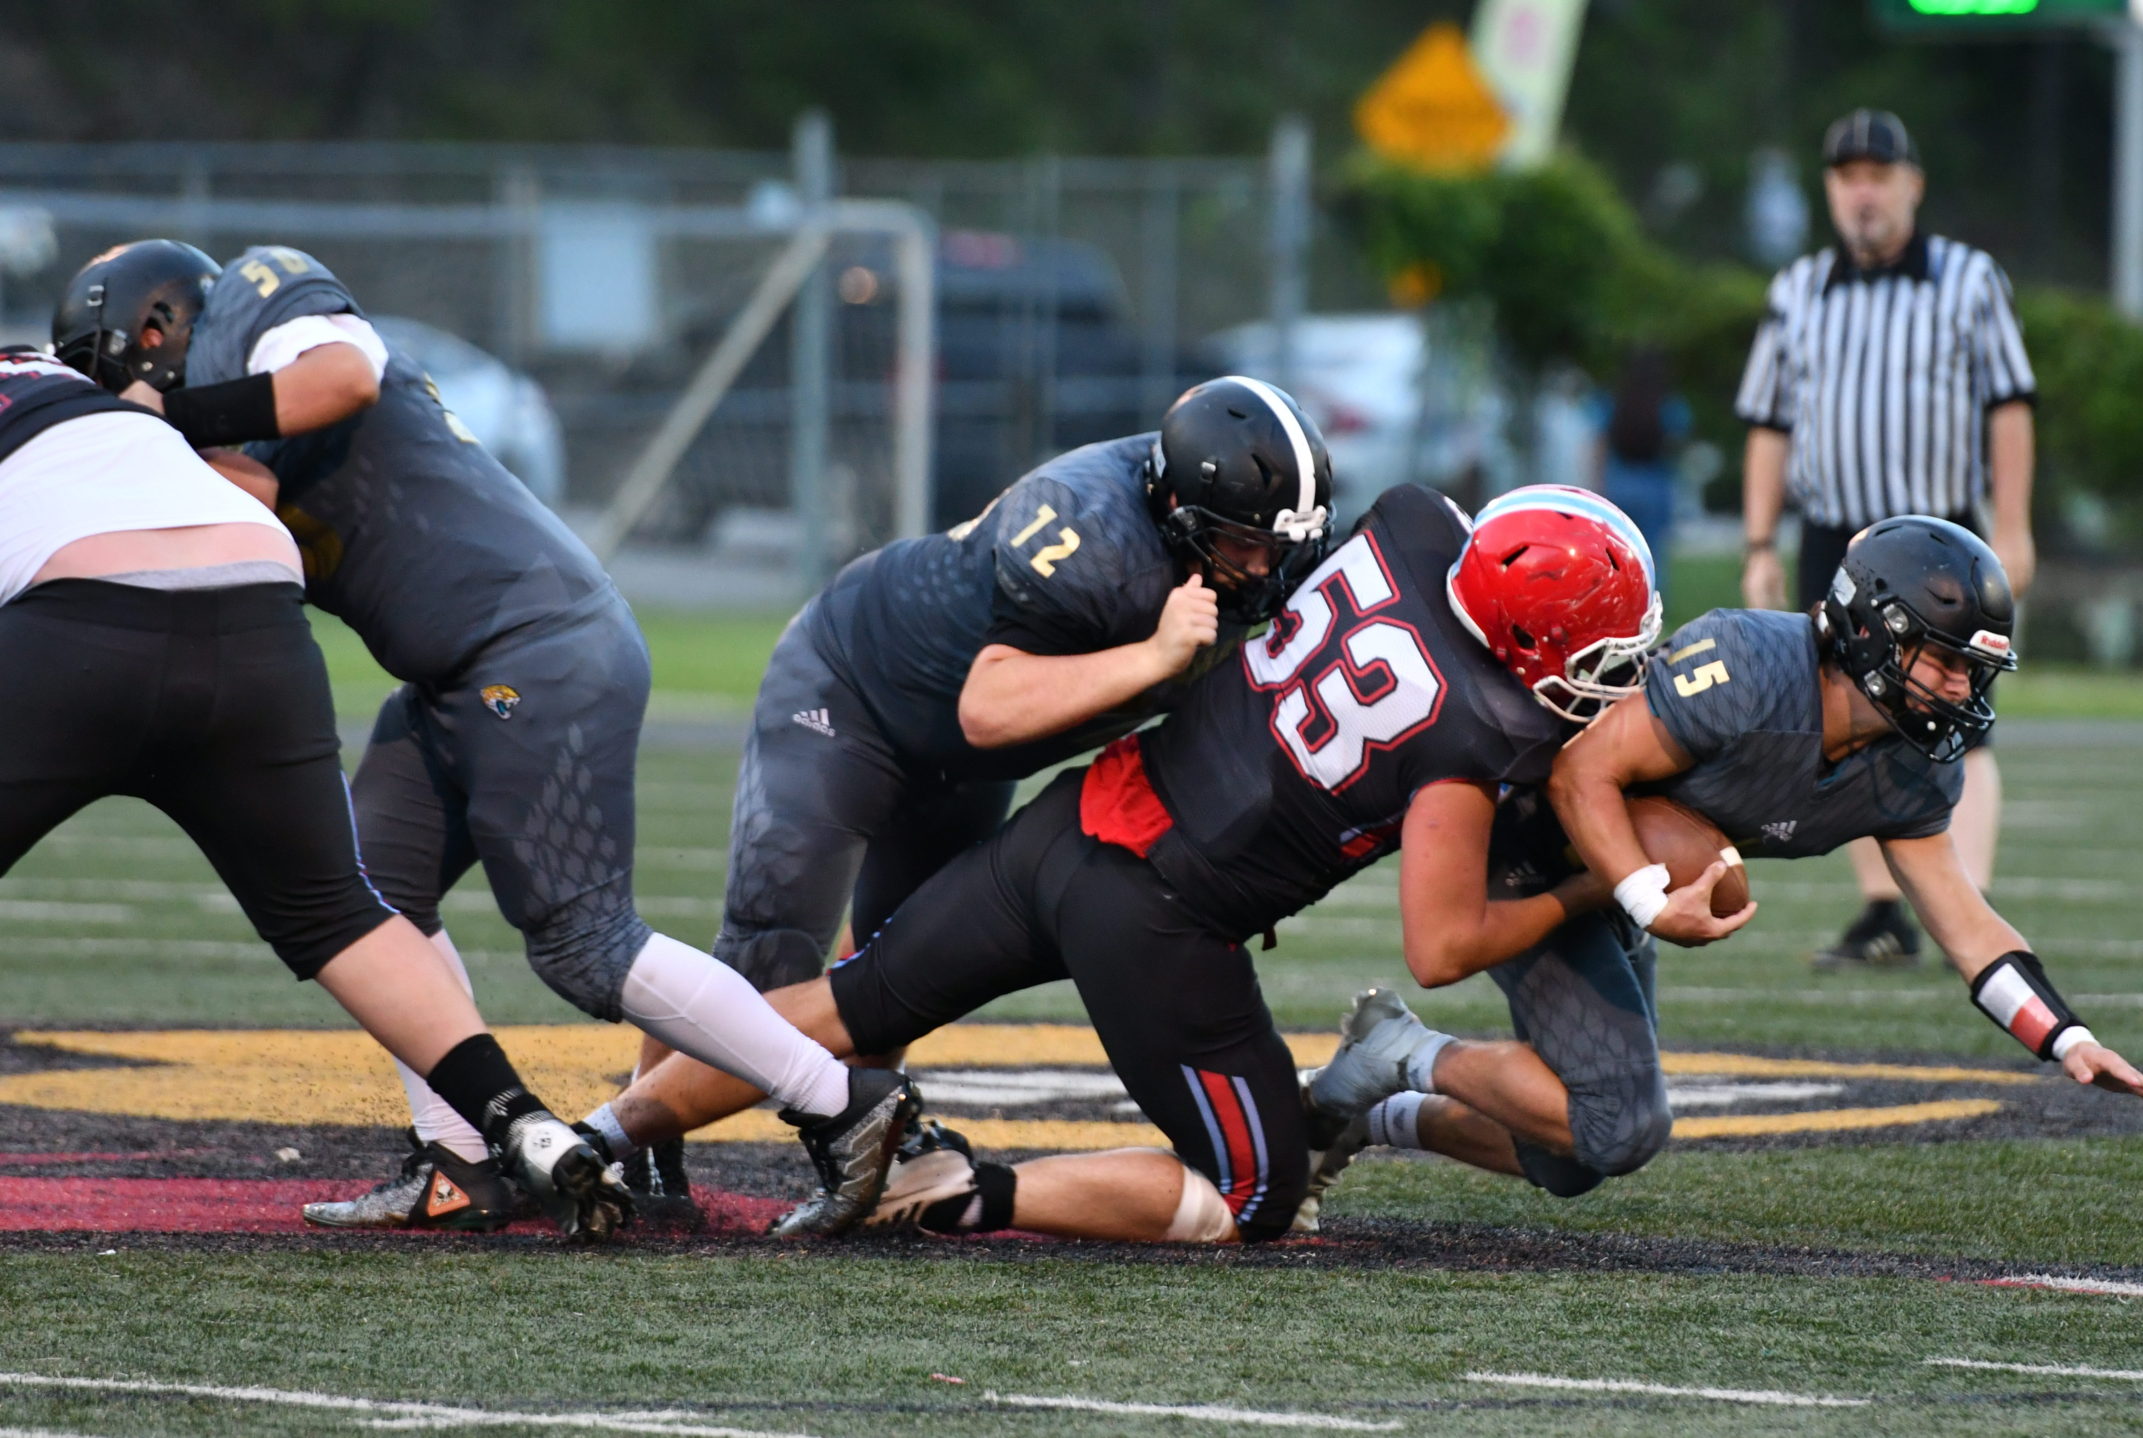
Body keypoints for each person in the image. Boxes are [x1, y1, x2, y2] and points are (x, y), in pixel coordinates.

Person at [54, 240, 904, 1233]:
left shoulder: (256, 297)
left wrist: (175, 419)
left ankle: (844, 1104)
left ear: (154, 333)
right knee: (365, 897)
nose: (113, 395)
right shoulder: (214, 443)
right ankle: (458, 1159)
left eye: (109, 370)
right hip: (455, 673)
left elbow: (343, 376)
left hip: (530, 645)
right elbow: (247, 511)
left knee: (584, 943)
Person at [577, 483, 1662, 1243]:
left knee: (842, 1001)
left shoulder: (1416, 522)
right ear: (1529, 644)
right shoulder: (1476, 739)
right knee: (1253, 1190)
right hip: (1159, 918)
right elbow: (1441, 944)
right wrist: (1593, 882)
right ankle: (960, 1191)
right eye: (1597, 655)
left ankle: (589, 1133)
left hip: (1076, 817)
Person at [602, 375, 1336, 1208]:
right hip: (855, 691)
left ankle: (862, 1133)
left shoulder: (1246, 551)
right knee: (773, 947)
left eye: (1283, 543)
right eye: (1242, 543)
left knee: (891, 977)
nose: (1265, 566)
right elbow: (988, 708)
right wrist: (1153, 658)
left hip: (967, 763)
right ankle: (626, 1129)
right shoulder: (1086, 525)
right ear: (1174, 504)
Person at [1305, 519, 2143, 1213]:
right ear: (1873, 635)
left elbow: (1963, 918)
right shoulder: (1752, 669)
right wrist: (1646, 900)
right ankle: (1398, 1048)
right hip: (1539, 844)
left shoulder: (1909, 765)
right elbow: (1581, 773)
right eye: (1944, 662)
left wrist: (2067, 1037)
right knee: (1620, 1126)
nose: (1959, 691)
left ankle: (1374, 1115)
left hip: (1621, 874)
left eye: (1972, 670)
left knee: (1569, 1159)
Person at [0, 344, 627, 1239]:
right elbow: (243, 490)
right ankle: (517, 1120)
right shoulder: (61, 387)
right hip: (257, 607)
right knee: (341, 914)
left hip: (82, 621)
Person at [1733, 108, 2039, 970]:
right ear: (1831, 190)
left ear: (1913, 184)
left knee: (1960, 719)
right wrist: (1761, 540)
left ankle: (1962, 910)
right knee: (1849, 722)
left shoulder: (1969, 280)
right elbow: (1768, 422)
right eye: (1847, 177)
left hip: (1943, 539)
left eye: (1878, 175)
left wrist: (2011, 525)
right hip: (1838, 536)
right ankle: (1882, 910)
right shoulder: (1798, 291)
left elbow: (2009, 405)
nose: (1863, 192)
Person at [1585, 345, 1690, 561]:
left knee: (1613, 554)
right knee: (1651, 555)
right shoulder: (1667, 404)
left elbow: (1599, 445)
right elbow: (1678, 442)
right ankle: (1651, 593)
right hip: (1654, 483)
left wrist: (1597, 484)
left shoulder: (1611, 401)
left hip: (1618, 481)